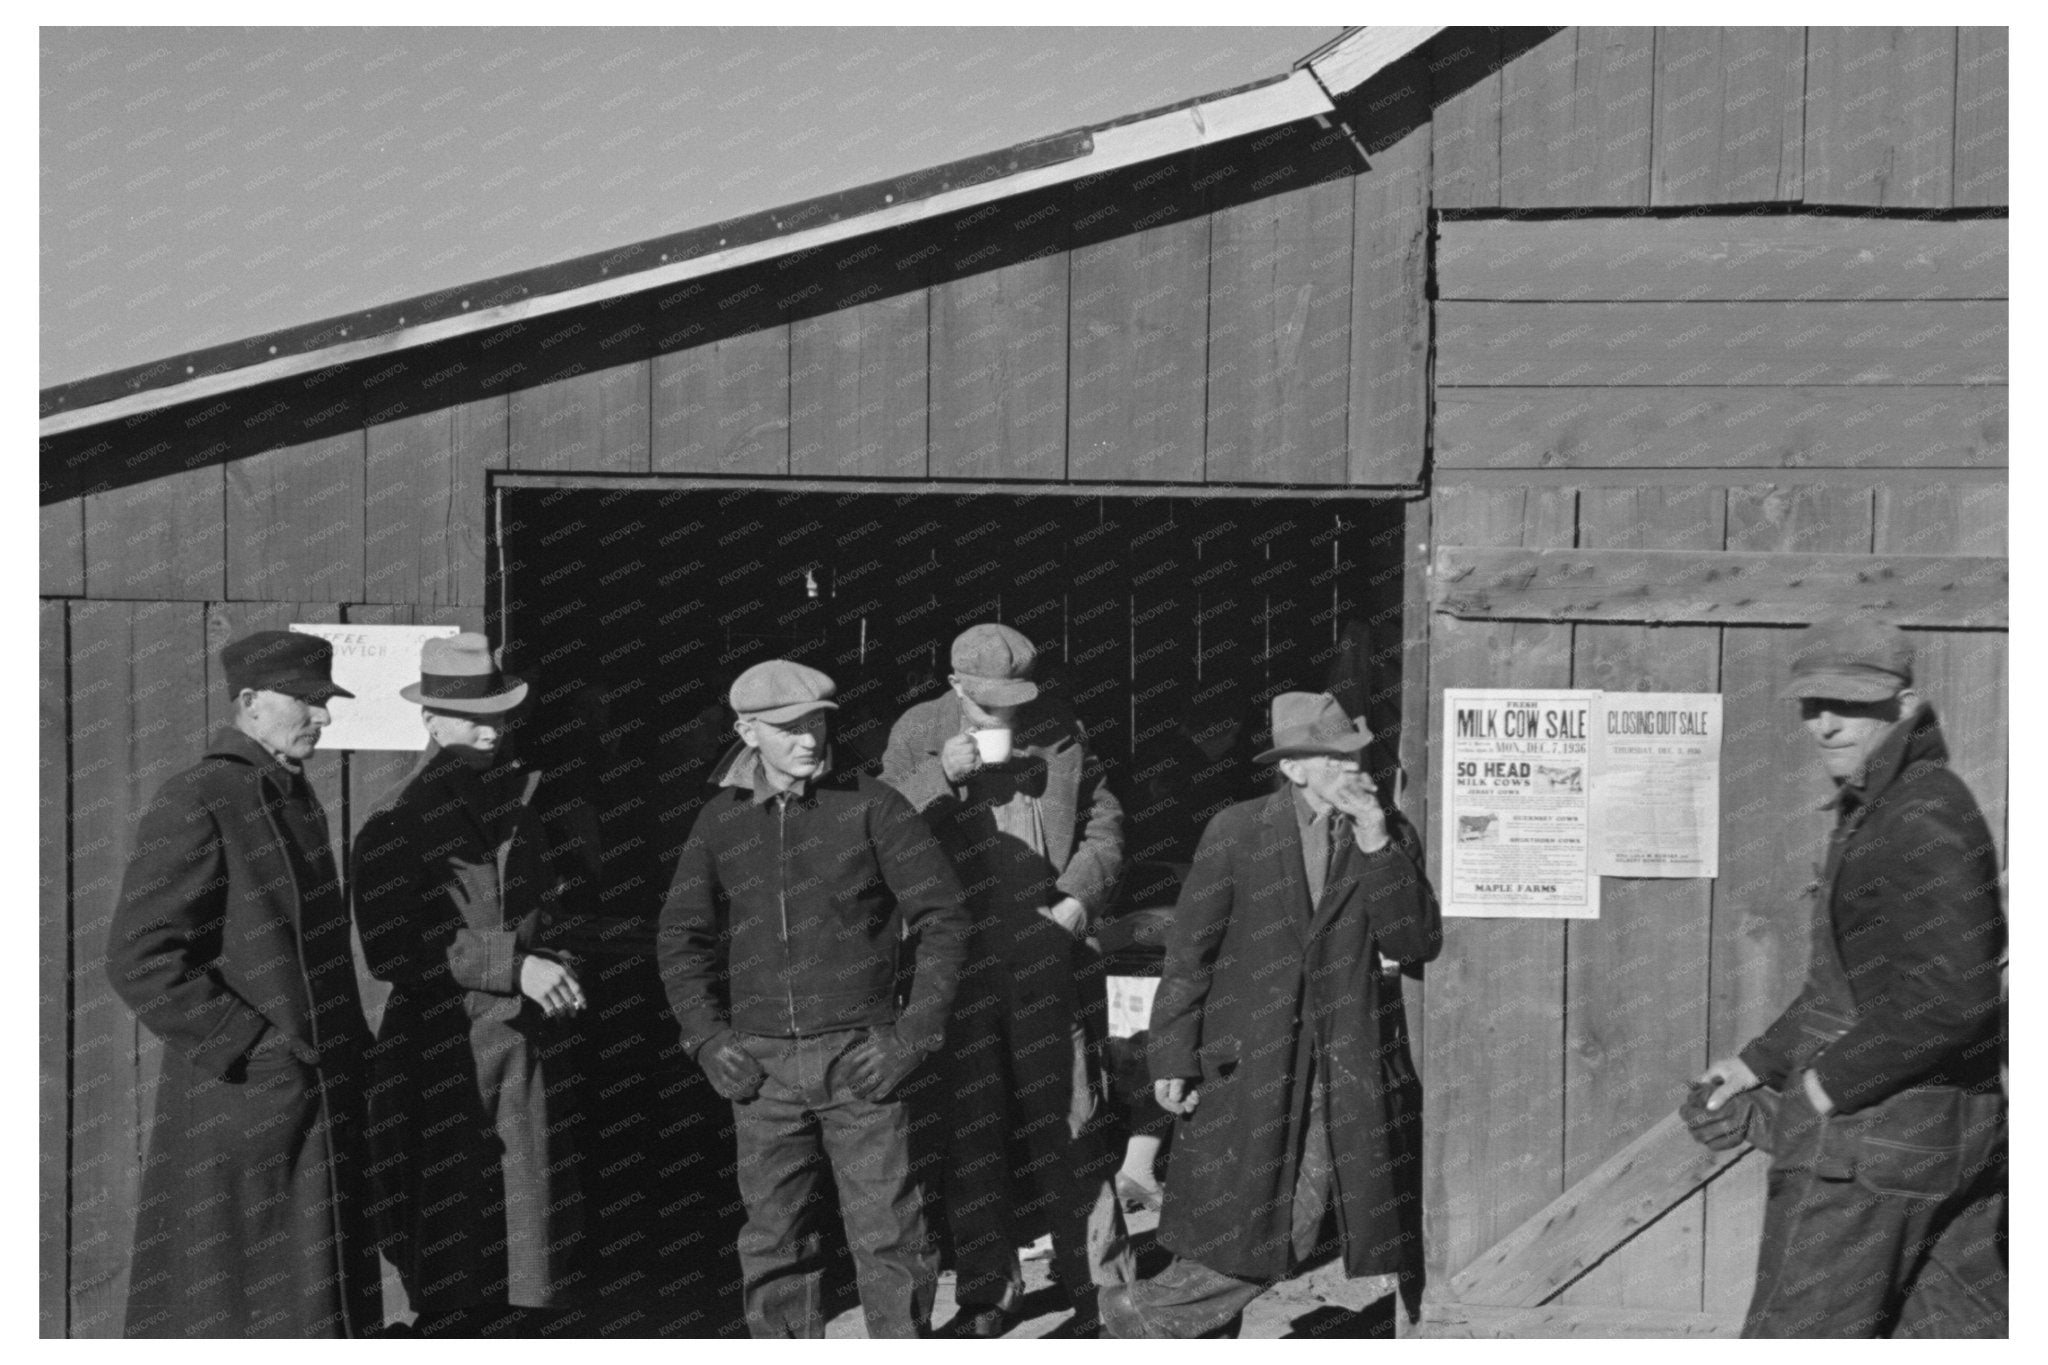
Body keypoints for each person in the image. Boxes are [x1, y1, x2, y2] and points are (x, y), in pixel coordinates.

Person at [1687, 618, 2006, 1337]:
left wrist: (1824, 1086)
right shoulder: (1894, 803)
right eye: (1811, 704)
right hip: (1939, 1138)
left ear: (1906, 702)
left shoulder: (1919, 812)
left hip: (1871, 1150)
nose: (1825, 724)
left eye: (1850, 704)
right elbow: (1864, 982)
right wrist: (1755, 1063)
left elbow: (1959, 996)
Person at [1099, 692, 1441, 1339]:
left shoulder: (1385, 832)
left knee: (1300, 1214)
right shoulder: (1237, 829)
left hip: (1341, 1060)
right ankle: (1165, 1320)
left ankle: (1147, 1313)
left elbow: (1411, 941)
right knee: (1232, 1214)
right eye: (1333, 756)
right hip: (1247, 1059)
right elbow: (1189, 951)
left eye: (1355, 751)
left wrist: (1374, 840)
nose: (1352, 766)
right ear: (1292, 768)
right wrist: (1171, 1053)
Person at [658, 659, 968, 1338]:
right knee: (774, 1241)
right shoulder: (719, 820)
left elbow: (945, 918)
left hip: (862, 1059)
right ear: (747, 730)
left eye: (818, 724)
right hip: (760, 1068)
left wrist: (912, 1036)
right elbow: (679, 937)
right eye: (789, 727)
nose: (809, 740)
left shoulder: (872, 805)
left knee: (891, 1233)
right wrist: (707, 1038)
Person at [104, 630, 378, 1337]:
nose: (322, 717)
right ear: (251, 703)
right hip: (244, 1109)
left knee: (308, 1304)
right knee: (236, 1308)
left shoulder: (291, 796)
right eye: (308, 701)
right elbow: (141, 957)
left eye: (326, 702)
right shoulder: (201, 797)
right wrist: (257, 1050)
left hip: (310, 1103)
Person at [882, 623, 1135, 1335]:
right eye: (992, 704)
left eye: (1017, 701)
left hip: (1046, 946)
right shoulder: (916, 732)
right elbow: (876, 831)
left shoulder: (1061, 727)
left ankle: (1103, 1288)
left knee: (1076, 1120)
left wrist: (1082, 896)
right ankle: (990, 1290)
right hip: (960, 959)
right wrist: (940, 776)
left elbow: (1105, 821)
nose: (1009, 718)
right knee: (973, 1127)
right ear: (957, 686)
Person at [352, 633, 590, 1336]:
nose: (491, 726)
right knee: (456, 1250)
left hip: (524, 1046)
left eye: (500, 711)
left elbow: (552, 906)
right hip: (444, 1054)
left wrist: (560, 959)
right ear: (430, 720)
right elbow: (393, 947)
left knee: (531, 1249)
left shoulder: (520, 801)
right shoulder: (397, 819)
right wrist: (512, 965)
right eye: (472, 715)